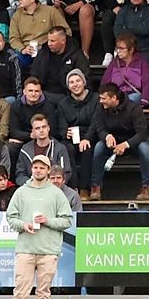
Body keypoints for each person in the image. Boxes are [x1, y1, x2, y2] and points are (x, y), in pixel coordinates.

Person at [0, 154, 72, 299]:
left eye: (42, 167)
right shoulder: (21, 192)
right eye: (35, 167)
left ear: (48, 170)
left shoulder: (56, 194)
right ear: (32, 169)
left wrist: (48, 221)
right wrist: (23, 225)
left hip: (48, 249)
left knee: (43, 289)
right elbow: (11, 216)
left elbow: (67, 220)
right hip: (26, 247)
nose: (38, 170)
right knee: (21, 287)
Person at [89, 83, 149, 201]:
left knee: (145, 150)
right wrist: (106, 136)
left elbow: (142, 133)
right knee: (98, 148)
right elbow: (99, 128)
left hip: (133, 142)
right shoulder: (100, 109)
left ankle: (146, 187)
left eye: (104, 98)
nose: (101, 101)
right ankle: (95, 186)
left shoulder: (134, 108)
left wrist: (126, 144)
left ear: (114, 98)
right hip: (112, 142)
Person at [57, 69, 98, 201]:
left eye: (78, 81)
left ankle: (85, 189)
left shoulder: (96, 99)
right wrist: (65, 132)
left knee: (87, 150)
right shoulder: (63, 103)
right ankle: (73, 187)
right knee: (66, 148)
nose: (75, 84)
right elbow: (61, 124)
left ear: (84, 82)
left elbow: (97, 122)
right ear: (68, 86)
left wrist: (87, 139)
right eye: (71, 82)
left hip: (90, 135)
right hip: (72, 136)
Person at [15, 113, 71, 187]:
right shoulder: (25, 150)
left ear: (48, 128)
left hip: (53, 189)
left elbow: (65, 172)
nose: (41, 130)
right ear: (33, 131)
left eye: (44, 127)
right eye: (37, 128)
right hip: (31, 188)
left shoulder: (60, 148)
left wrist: (48, 186)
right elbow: (20, 174)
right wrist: (32, 184)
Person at [100, 33, 149, 107]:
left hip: (133, 95)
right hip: (116, 96)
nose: (118, 51)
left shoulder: (142, 63)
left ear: (131, 50)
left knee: (132, 99)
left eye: (121, 48)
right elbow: (105, 82)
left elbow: (147, 83)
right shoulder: (114, 63)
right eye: (117, 48)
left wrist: (145, 100)